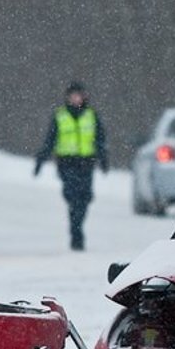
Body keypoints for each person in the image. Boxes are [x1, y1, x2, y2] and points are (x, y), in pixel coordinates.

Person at [34, 81, 109, 250]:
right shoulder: (60, 115)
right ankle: (76, 232)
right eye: (73, 95)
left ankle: (77, 228)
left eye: (79, 95)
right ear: (68, 97)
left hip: (87, 163)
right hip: (67, 164)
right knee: (73, 198)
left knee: (84, 199)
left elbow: (100, 139)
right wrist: (40, 161)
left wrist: (104, 159)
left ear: (84, 96)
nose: (76, 99)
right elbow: (50, 141)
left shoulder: (92, 115)